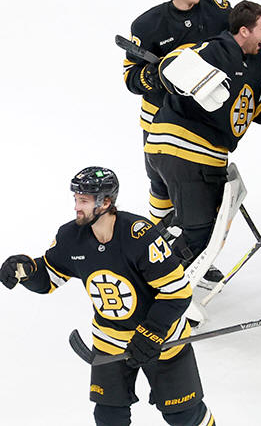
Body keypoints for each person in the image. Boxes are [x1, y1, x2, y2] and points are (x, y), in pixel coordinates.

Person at [0, 167, 215, 426]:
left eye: (84, 200)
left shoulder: (139, 235)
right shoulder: (71, 237)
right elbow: (49, 277)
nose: (76, 207)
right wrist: (27, 271)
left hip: (164, 341)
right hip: (110, 342)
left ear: (105, 202)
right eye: (76, 199)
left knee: (185, 415)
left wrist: (152, 332)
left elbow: (177, 292)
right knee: (109, 417)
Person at [145, 0, 261, 285]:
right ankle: (158, 289)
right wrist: (192, 75)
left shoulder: (253, 68)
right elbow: (171, 66)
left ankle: (152, 267)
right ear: (244, 31)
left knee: (190, 227)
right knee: (196, 232)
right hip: (183, 151)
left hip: (195, 155)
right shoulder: (216, 50)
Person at [124, 0, 231, 226]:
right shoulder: (147, 25)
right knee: (161, 185)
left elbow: (238, 46)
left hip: (205, 116)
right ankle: (158, 238)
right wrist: (155, 75)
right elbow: (130, 78)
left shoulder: (219, 12)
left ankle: (197, 239)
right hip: (159, 120)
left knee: (204, 187)